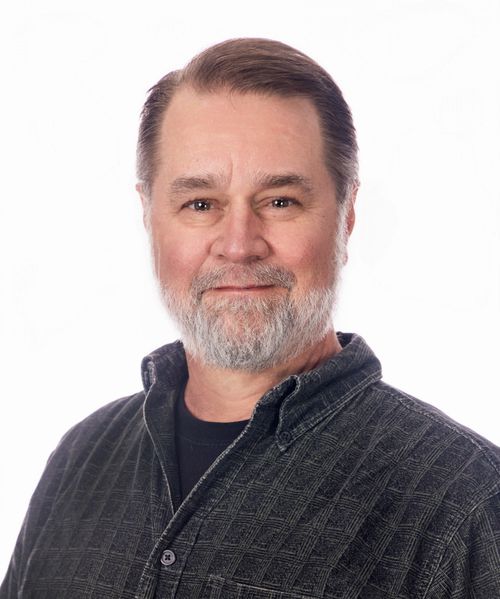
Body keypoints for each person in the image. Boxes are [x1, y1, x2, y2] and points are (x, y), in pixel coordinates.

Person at [1, 38, 499, 599]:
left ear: (347, 217)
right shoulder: (79, 462)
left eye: (280, 201)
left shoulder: (467, 503)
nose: (238, 245)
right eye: (200, 204)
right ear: (148, 216)